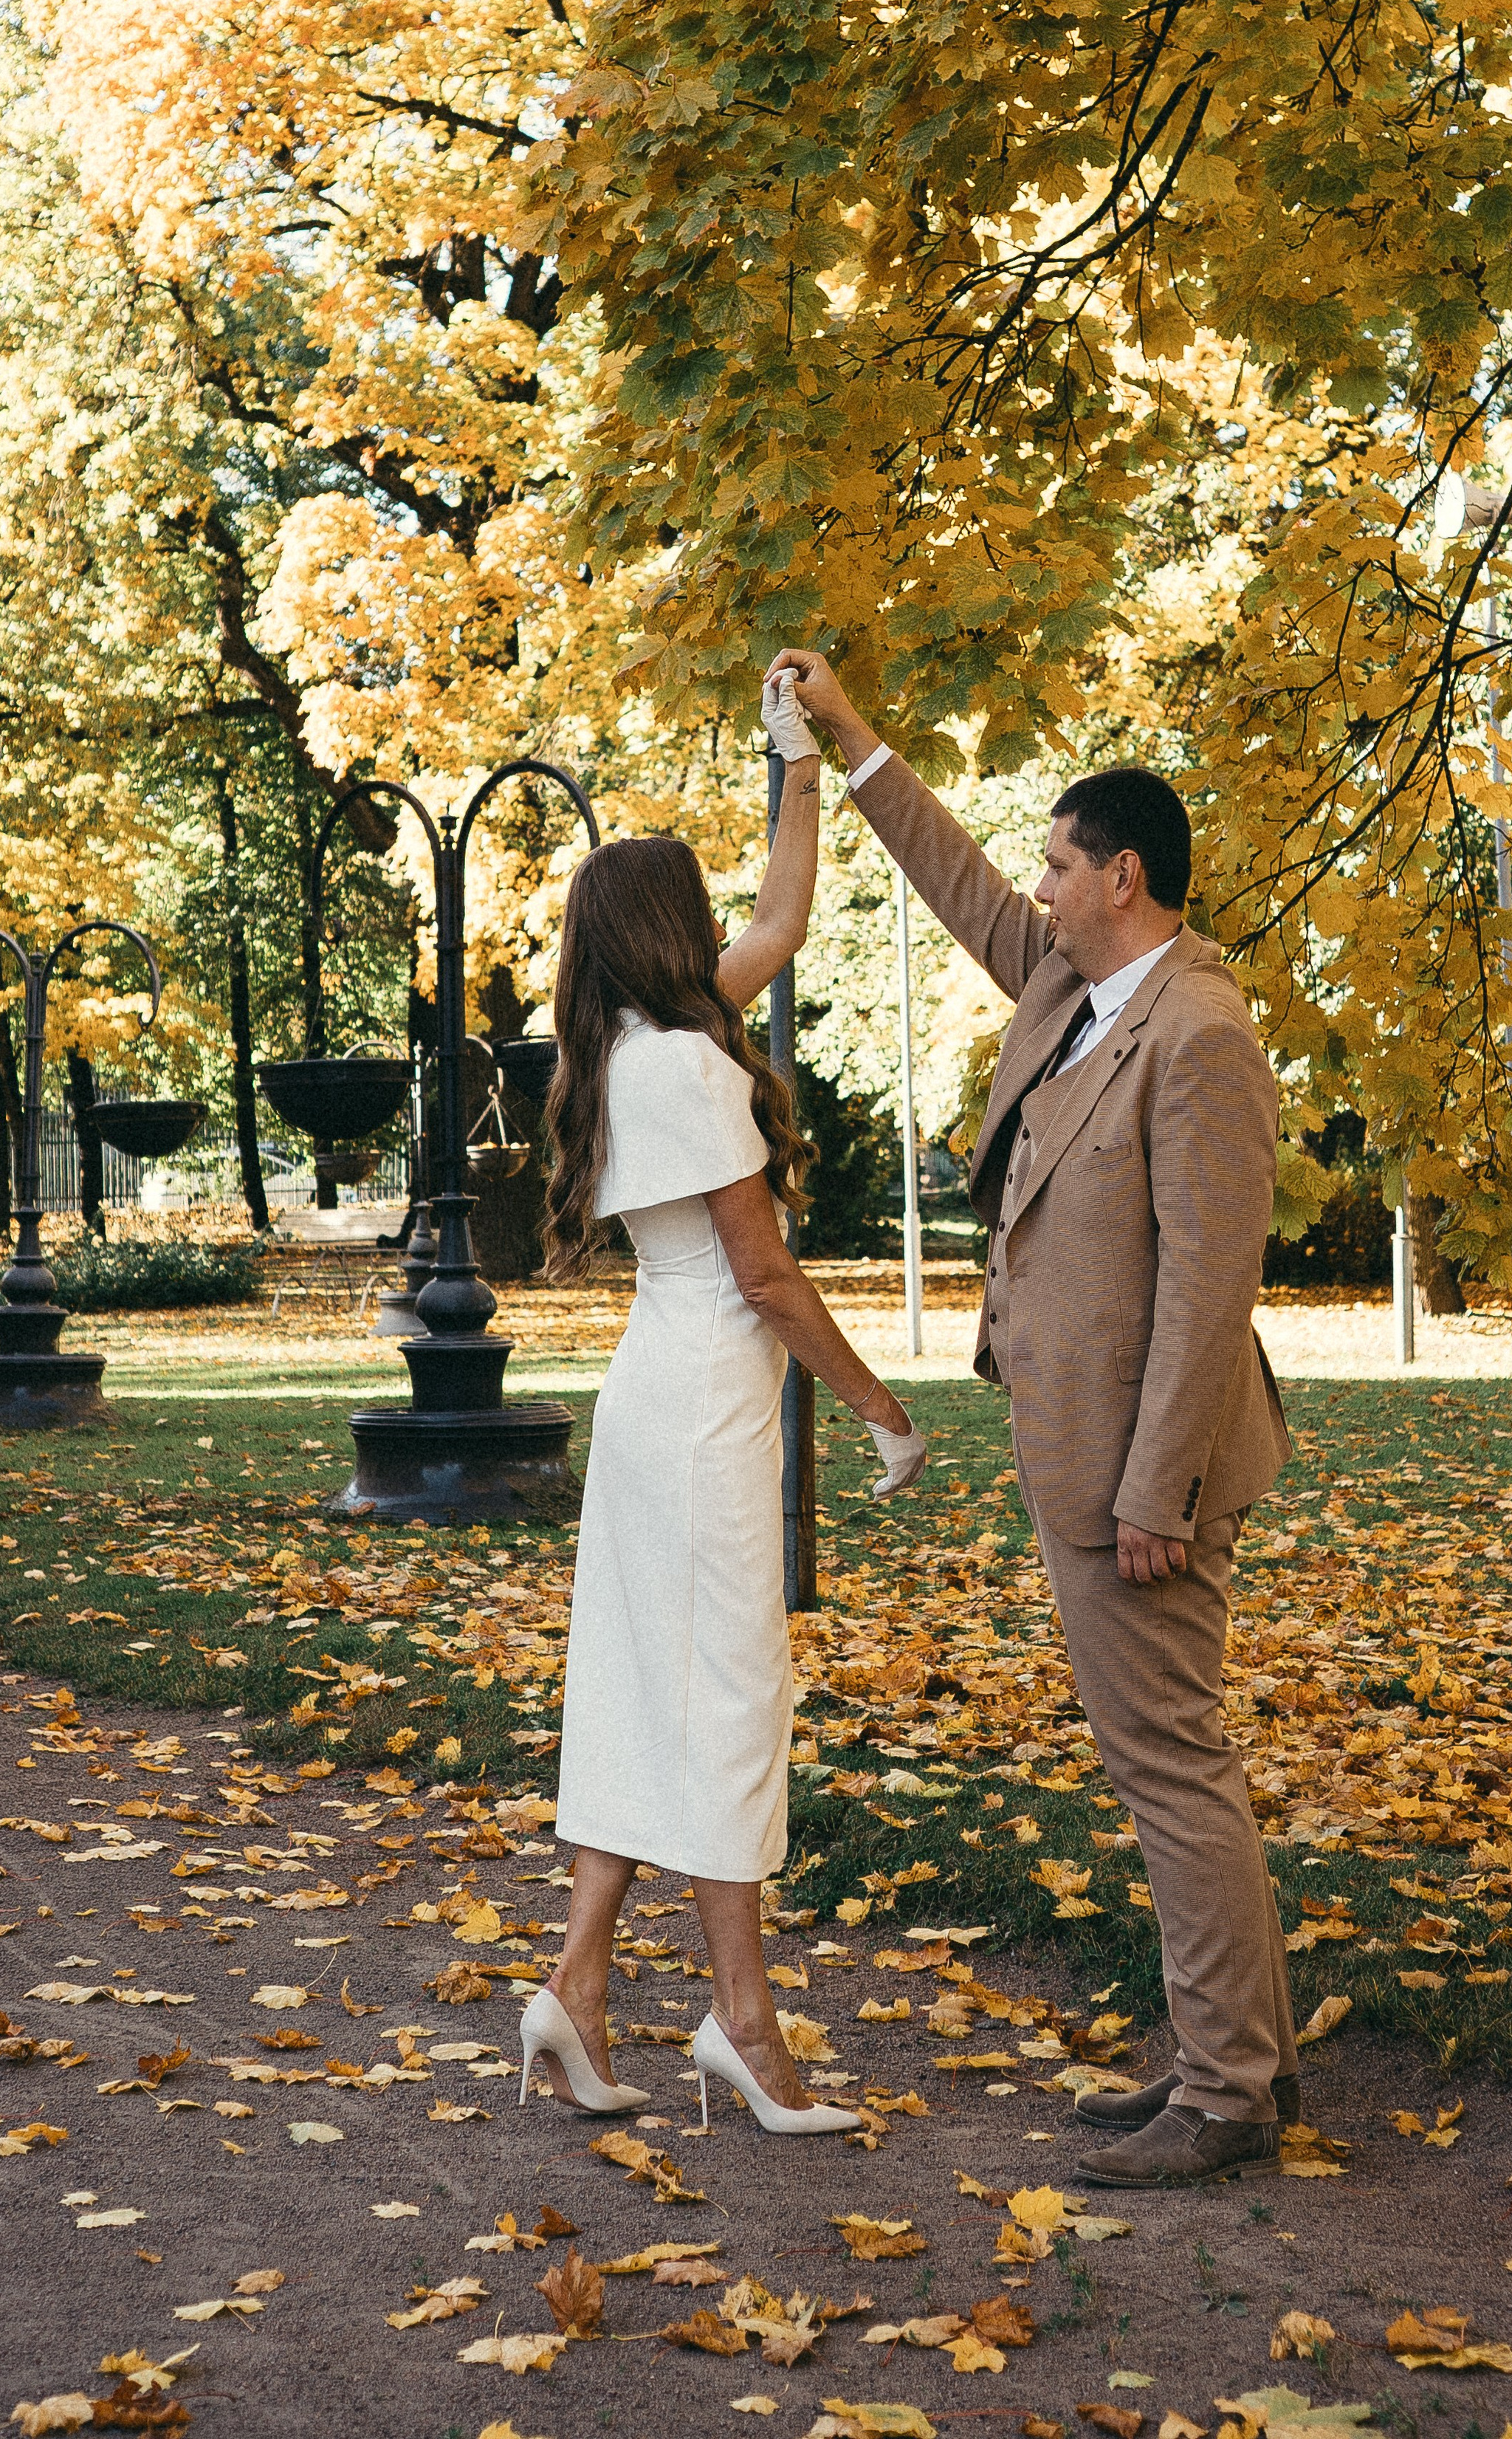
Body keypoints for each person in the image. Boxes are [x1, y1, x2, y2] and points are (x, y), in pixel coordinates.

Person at [766, 644, 1296, 2189]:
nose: (1037, 887)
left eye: (1059, 864)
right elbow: (954, 883)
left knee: (1167, 1762)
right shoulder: (1078, 980)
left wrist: (1153, 1491)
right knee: (1164, 1758)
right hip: (1080, 1443)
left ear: (1119, 875)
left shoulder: (1196, 1031)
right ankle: (1234, 2065)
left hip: (1145, 1470)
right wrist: (853, 740)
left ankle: (1225, 2093)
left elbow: (1207, 1293)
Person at [519, 673, 927, 2138]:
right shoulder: (691, 1067)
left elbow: (781, 923)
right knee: (726, 1706)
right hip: (702, 1412)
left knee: (644, 1692)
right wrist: (882, 1407)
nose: (720, 931)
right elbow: (764, 1276)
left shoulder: (630, 1047)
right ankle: (743, 2025)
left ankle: (572, 1988)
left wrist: (794, 758)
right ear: (661, 934)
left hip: (656, 1403)